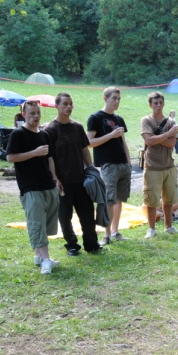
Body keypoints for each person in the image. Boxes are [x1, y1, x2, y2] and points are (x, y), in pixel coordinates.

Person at [5, 100, 61, 275]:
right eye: (32, 113)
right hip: (29, 186)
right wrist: (34, 153)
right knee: (36, 222)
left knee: (46, 223)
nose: (36, 116)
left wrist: (55, 179)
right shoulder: (18, 134)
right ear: (24, 115)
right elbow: (10, 157)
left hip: (47, 184)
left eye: (38, 113)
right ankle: (46, 260)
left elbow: (50, 159)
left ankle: (38, 256)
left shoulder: (44, 134)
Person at [44, 93, 101, 256]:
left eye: (70, 103)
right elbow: (49, 158)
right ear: (57, 106)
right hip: (62, 181)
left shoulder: (77, 127)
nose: (69, 106)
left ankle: (92, 244)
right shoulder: (50, 130)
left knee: (87, 214)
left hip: (81, 179)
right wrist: (55, 179)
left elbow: (85, 150)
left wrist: (91, 169)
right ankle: (72, 245)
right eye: (65, 104)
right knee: (65, 216)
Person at [87, 87, 132, 246]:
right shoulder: (95, 118)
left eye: (119, 99)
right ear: (105, 98)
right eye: (114, 98)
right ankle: (106, 236)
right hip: (108, 165)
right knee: (109, 200)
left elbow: (123, 141)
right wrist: (111, 135)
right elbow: (89, 142)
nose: (117, 101)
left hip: (123, 165)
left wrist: (128, 162)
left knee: (119, 199)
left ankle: (115, 232)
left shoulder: (119, 119)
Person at [140, 91, 178, 238]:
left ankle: (168, 226)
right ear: (150, 105)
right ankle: (151, 229)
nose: (158, 105)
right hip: (152, 166)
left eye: (160, 102)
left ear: (164, 104)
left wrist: (155, 137)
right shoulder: (146, 120)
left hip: (169, 165)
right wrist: (166, 134)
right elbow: (148, 141)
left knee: (169, 199)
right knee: (151, 199)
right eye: (155, 103)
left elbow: (171, 144)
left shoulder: (171, 122)